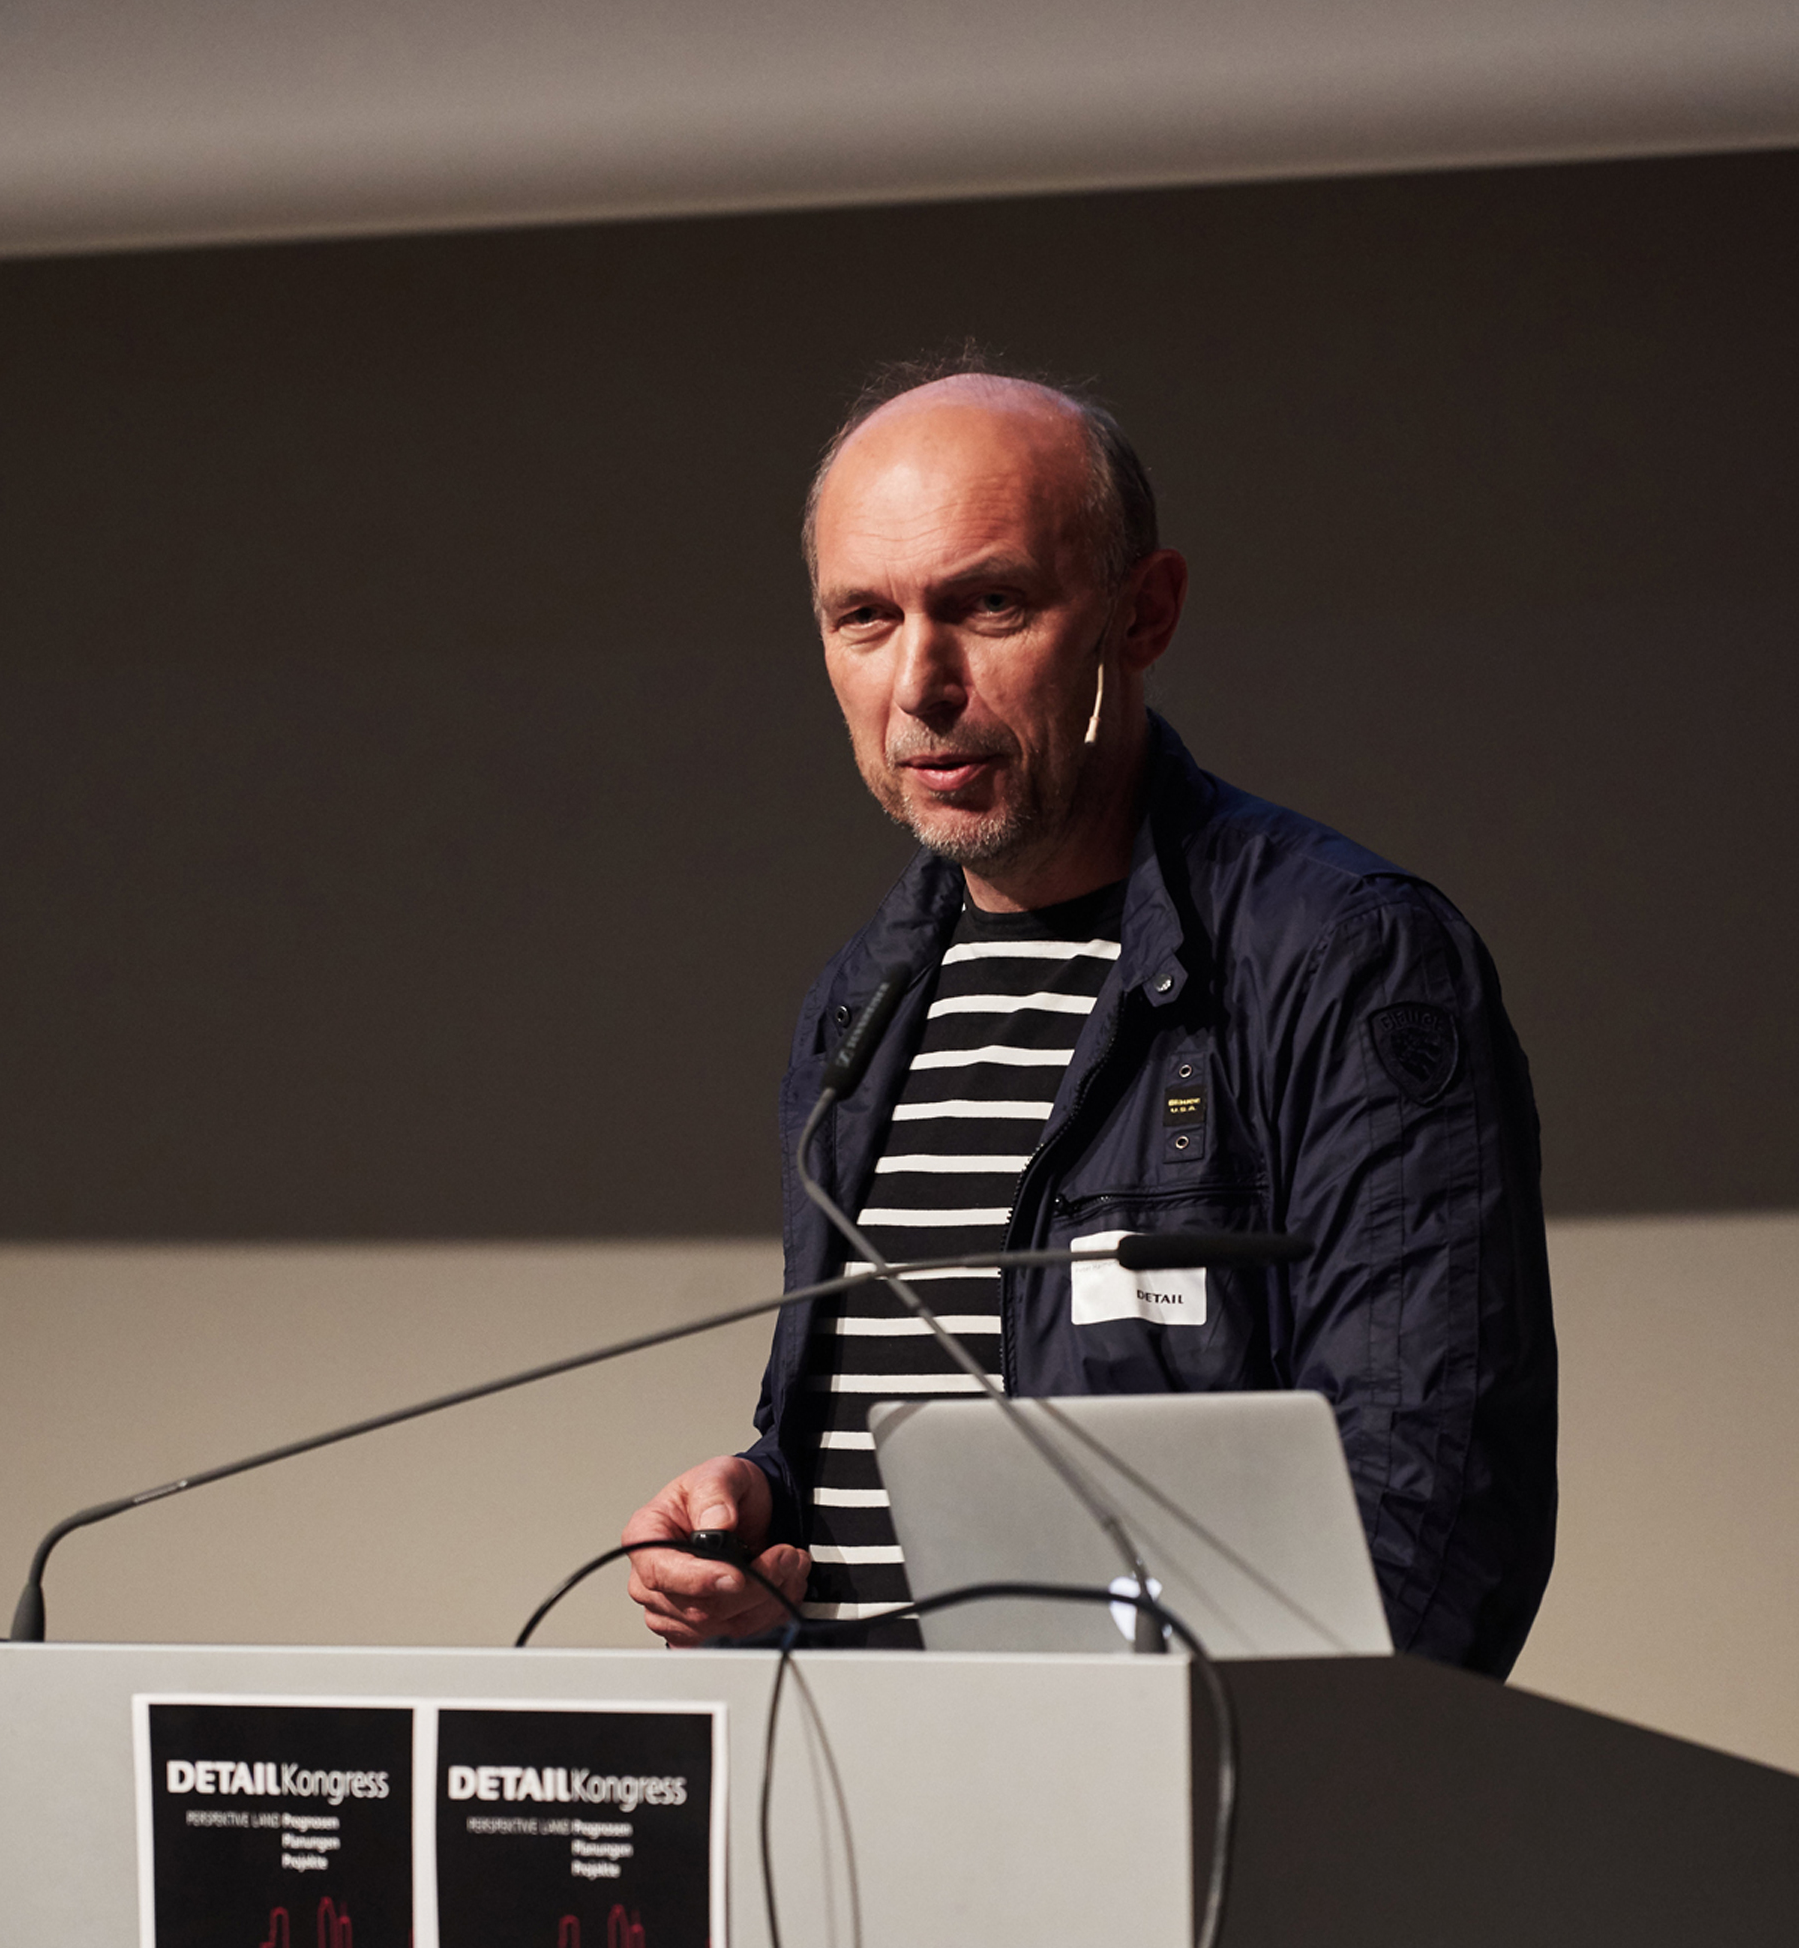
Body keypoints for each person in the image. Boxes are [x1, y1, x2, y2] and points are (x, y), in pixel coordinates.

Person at [623, 354, 1556, 1674]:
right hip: (858, 1779)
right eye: (866, 618)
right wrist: (764, 1511)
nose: (920, 684)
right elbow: (911, 1432)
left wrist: (1212, 1778)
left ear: (1145, 612)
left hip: (1180, 1790)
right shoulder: (859, 1004)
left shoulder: (1348, 959)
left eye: (990, 604)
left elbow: (1434, 1506)